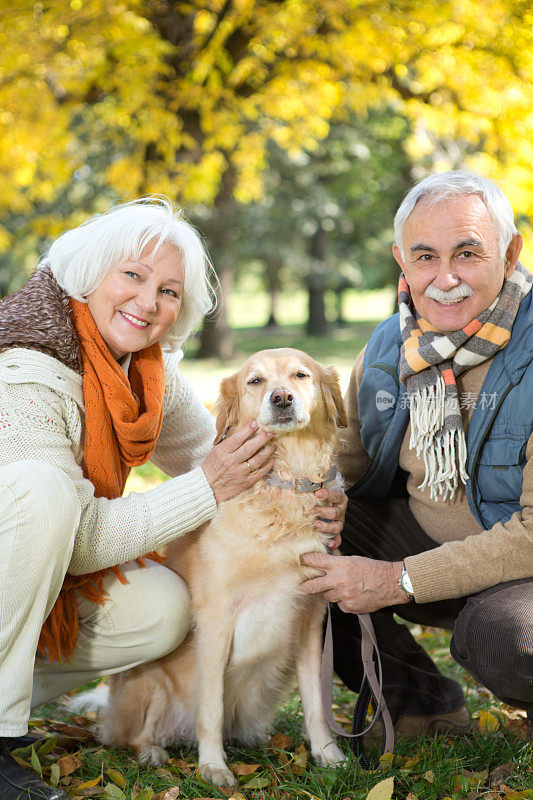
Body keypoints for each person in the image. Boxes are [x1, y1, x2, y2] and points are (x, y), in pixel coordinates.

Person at [0, 197, 346, 800]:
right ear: (90, 274)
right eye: (132, 275)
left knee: (163, 610)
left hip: (37, 585)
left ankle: (11, 692)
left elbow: (217, 451)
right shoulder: (29, 368)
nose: (148, 301)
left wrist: (312, 494)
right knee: (44, 490)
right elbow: (77, 535)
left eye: (169, 290)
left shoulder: (143, 371)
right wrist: (206, 485)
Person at [301, 171, 533, 741]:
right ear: (401, 260)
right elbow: (347, 460)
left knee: (503, 637)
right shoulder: (389, 346)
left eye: (468, 253)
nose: (445, 279)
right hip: (428, 540)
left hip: (519, 568)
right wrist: (305, 487)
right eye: (425, 256)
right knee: (301, 551)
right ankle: (422, 706)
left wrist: (401, 580)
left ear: (510, 255)